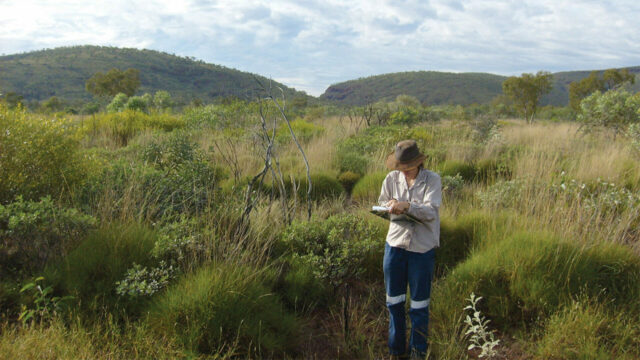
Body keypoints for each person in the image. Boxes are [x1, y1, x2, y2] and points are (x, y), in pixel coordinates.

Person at [378, 139, 442, 359]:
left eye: (408, 167)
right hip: (394, 246)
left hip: (421, 250)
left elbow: (430, 211)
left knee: (419, 305)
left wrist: (408, 206)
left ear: (418, 162)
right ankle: (396, 350)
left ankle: (418, 351)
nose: (404, 171)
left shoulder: (432, 180)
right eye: (401, 167)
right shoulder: (391, 179)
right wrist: (390, 205)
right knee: (394, 302)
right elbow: (383, 203)